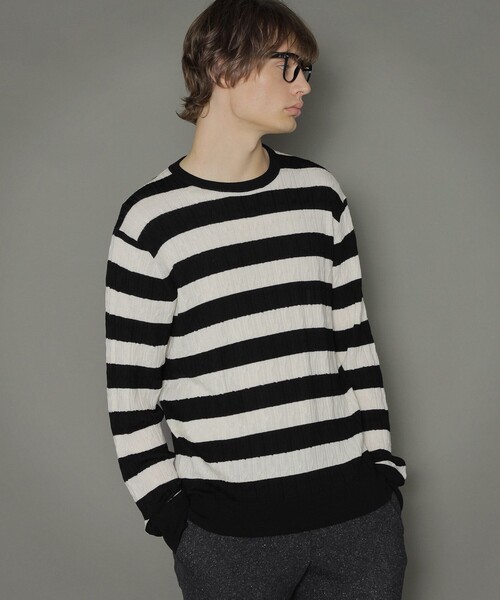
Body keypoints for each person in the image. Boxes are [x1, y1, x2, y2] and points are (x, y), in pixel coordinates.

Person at [105, 0, 408, 598]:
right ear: (223, 66)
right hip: (229, 542)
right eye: (287, 65)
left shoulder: (320, 195)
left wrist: (381, 471)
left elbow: (355, 343)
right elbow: (131, 396)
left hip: (359, 523)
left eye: (306, 70)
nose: (305, 85)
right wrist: (173, 518)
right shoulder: (150, 222)